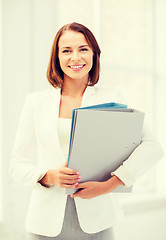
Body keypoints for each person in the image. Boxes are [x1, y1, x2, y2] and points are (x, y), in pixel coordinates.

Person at [10, 22, 163, 240]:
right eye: (67, 50)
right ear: (56, 57)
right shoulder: (36, 102)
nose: (76, 58)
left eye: (83, 49)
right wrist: (50, 176)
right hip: (45, 222)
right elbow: (17, 165)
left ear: (94, 54)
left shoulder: (111, 99)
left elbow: (152, 147)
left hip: (97, 221)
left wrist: (110, 185)